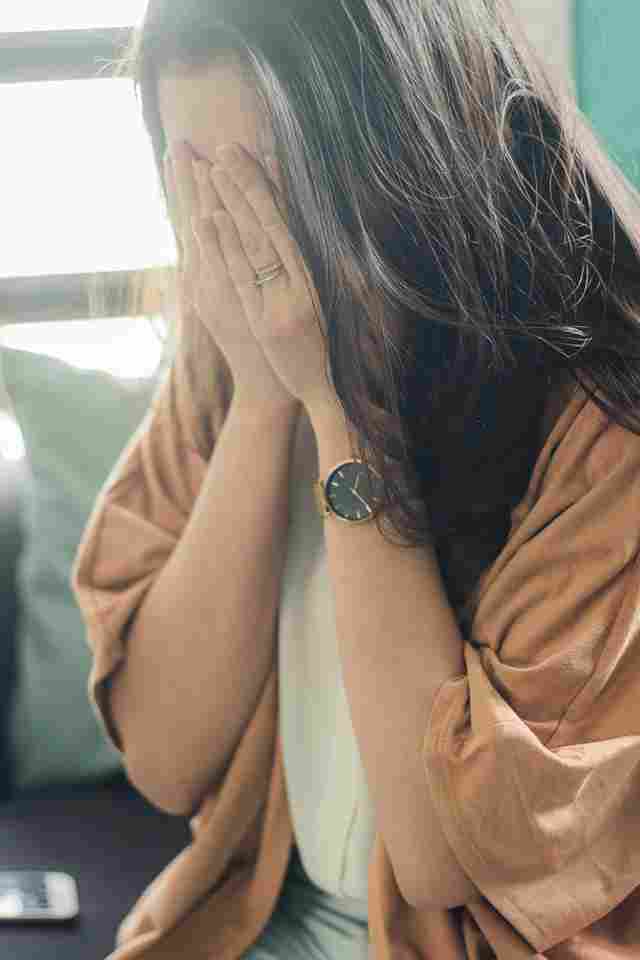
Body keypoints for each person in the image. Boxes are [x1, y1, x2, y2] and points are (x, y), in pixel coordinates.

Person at [72, 0, 640, 957]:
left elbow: (444, 860)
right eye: (201, 181)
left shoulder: (601, 418)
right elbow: (167, 762)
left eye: (270, 183)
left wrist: (342, 409)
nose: (241, 237)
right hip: (256, 924)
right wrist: (264, 398)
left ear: (407, 160)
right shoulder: (231, 349)